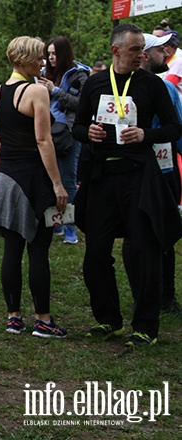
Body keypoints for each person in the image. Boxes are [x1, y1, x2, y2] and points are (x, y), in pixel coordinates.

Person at [73, 23, 182, 347]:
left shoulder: (152, 85)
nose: (141, 55)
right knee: (95, 253)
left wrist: (146, 134)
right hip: (102, 177)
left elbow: (175, 127)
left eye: (143, 50)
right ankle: (108, 320)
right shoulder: (94, 85)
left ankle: (145, 325)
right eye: (135, 50)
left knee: (145, 250)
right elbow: (77, 126)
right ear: (116, 50)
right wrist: (87, 133)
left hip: (139, 176)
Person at [0, 36, 69, 338]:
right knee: (38, 250)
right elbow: (43, 140)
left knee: (12, 248)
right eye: (38, 58)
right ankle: (44, 320)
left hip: (8, 176)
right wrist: (58, 183)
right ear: (22, 61)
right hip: (33, 177)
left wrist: (4, 167)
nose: (43, 63)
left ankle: (13, 317)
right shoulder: (35, 91)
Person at [140, 33, 182, 314]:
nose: (165, 53)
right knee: (160, 231)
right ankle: (162, 296)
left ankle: (158, 295)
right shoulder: (163, 87)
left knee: (150, 232)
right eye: (159, 50)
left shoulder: (165, 87)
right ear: (144, 54)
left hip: (151, 168)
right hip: (155, 171)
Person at [37, 36, 89, 244]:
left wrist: (56, 92)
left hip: (68, 133)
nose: (50, 58)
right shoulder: (42, 74)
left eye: (54, 53)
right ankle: (55, 223)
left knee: (67, 179)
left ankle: (70, 227)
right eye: (48, 54)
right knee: (49, 178)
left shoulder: (79, 74)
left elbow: (82, 104)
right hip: (46, 131)